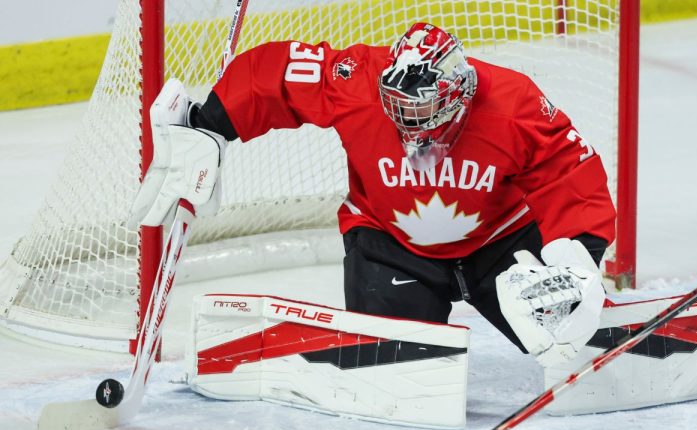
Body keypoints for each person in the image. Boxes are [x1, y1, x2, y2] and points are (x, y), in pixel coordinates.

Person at [137, 22, 616, 367]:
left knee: (585, 353)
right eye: (401, 116)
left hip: (501, 246)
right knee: (391, 370)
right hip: (392, 247)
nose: (413, 134)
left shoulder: (513, 103)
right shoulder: (356, 80)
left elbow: (569, 172)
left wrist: (580, 257)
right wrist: (210, 124)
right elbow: (277, 73)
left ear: (460, 94)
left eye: (425, 117)